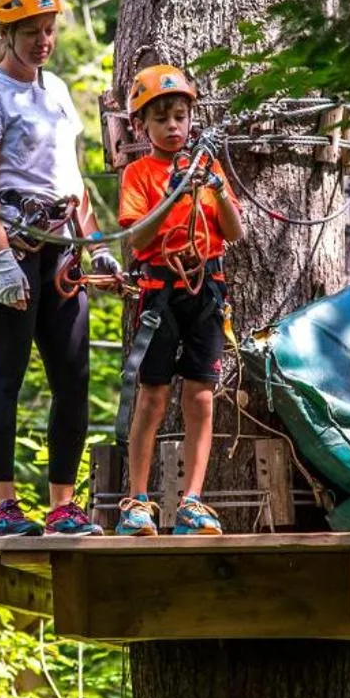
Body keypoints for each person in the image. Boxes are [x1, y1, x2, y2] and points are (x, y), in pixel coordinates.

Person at [0, 0, 119, 537]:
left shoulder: (54, 91)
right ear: (5, 32)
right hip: (9, 239)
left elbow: (71, 179)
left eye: (48, 30)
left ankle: (62, 505)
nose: (42, 41)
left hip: (61, 242)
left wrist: (95, 248)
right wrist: (1, 259)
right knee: (7, 372)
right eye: (30, 31)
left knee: (72, 375)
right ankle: (4, 505)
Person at [113, 64, 242, 537]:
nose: (172, 126)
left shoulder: (208, 169)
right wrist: (171, 198)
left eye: (180, 116)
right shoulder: (139, 173)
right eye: (162, 118)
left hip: (205, 290)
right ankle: (138, 501)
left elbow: (235, 231)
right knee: (152, 395)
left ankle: (193, 501)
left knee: (201, 396)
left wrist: (214, 190)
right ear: (142, 126)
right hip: (159, 292)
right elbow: (136, 237)